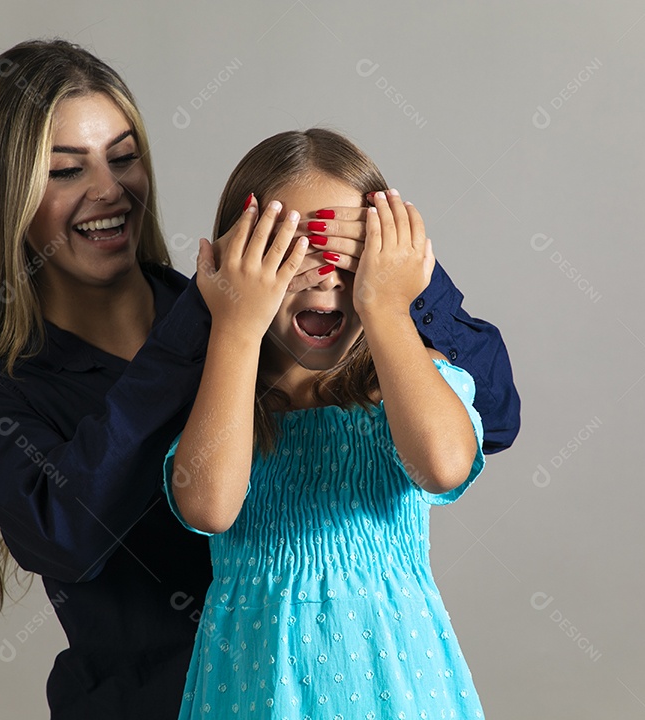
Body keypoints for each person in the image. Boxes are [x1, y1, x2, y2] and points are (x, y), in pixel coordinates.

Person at [0, 39, 519, 719]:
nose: (108, 190)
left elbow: (490, 418)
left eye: (123, 158)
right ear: (6, 196)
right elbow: (69, 533)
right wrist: (220, 324)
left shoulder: (268, 323)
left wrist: (397, 272)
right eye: (64, 171)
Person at [166, 128, 488, 718]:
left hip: (400, 685)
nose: (326, 274)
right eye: (293, 249)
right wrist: (235, 325)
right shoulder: (221, 396)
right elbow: (209, 508)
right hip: (258, 693)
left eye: (351, 252)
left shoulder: (410, 380)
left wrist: (388, 307)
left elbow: (443, 468)